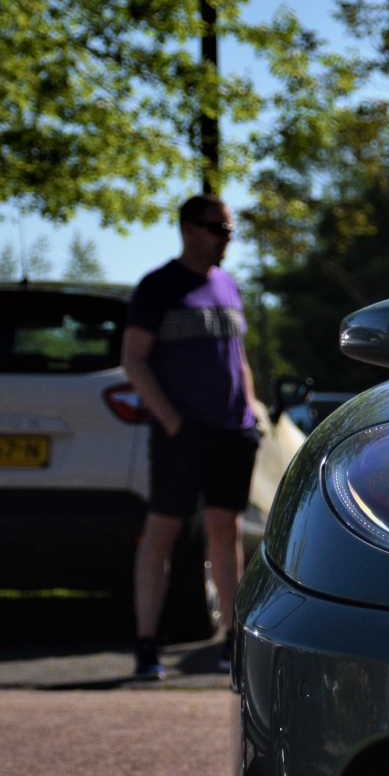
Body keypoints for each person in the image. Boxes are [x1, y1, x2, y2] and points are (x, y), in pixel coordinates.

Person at [123, 195, 267, 679]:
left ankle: (232, 639)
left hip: (232, 432)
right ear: (188, 229)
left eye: (229, 229)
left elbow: (237, 356)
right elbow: (134, 359)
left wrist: (249, 411)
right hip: (182, 433)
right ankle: (147, 645)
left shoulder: (228, 284)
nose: (225, 238)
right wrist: (172, 422)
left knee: (224, 532)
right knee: (163, 530)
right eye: (216, 228)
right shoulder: (158, 287)